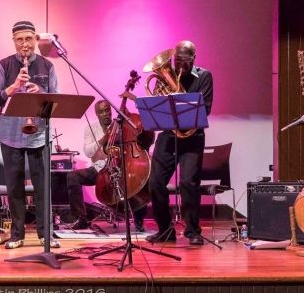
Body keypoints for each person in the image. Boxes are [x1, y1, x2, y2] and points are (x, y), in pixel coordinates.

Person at [0, 20, 59, 249]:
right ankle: (17, 235)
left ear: (36, 40)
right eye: (19, 40)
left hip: (39, 135)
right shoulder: (4, 65)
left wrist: (41, 93)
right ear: (14, 42)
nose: (24, 44)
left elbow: (56, 101)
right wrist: (13, 87)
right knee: (14, 188)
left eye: (28, 39)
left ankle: (45, 234)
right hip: (10, 135)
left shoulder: (47, 66)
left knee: (42, 187)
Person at [146, 40, 213, 245]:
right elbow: (157, 105)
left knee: (188, 183)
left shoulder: (204, 76)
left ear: (194, 58)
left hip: (193, 137)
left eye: (184, 61)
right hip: (168, 136)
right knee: (155, 182)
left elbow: (205, 109)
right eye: (176, 61)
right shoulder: (164, 76)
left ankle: (192, 231)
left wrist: (180, 97)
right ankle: (165, 230)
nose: (179, 65)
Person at [67, 99, 148, 232]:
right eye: (101, 112)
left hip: (121, 168)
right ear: (97, 114)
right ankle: (81, 218)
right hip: (100, 170)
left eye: (107, 110)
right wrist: (103, 139)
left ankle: (139, 220)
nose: (105, 114)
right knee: (73, 176)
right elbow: (88, 152)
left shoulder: (120, 125)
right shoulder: (91, 128)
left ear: (111, 111)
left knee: (137, 179)